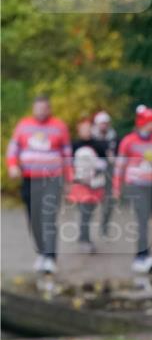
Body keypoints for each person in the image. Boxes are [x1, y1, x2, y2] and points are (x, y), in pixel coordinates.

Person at [6, 94, 72, 274]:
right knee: (34, 218)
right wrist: (12, 166)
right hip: (29, 178)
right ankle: (42, 253)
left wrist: (69, 179)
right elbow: (13, 149)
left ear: (49, 109)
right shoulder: (23, 125)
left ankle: (51, 257)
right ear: (33, 108)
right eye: (38, 108)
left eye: (44, 108)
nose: (41, 111)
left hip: (52, 178)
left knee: (48, 217)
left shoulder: (59, 127)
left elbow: (67, 154)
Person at [113, 105, 152, 274]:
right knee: (142, 220)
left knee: (147, 220)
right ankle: (141, 257)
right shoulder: (129, 141)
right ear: (142, 123)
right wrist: (117, 187)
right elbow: (120, 165)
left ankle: (143, 255)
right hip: (136, 185)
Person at [67, 116, 108, 252]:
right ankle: (84, 240)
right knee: (84, 211)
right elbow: (68, 165)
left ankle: (84, 237)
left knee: (88, 212)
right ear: (79, 130)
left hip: (94, 185)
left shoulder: (99, 145)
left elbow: (104, 164)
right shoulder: (73, 145)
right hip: (79, 185)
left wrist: (93, 171)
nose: (86, 131)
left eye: (88, 128)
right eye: (83, 128)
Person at [91, 110, 118, 236]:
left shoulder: (114, 137)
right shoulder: (90, 138)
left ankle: (104, 226)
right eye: (102, 123)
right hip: (93, 172)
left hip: (108, 172)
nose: (104, 126)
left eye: (106, 123)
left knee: (108, 200)